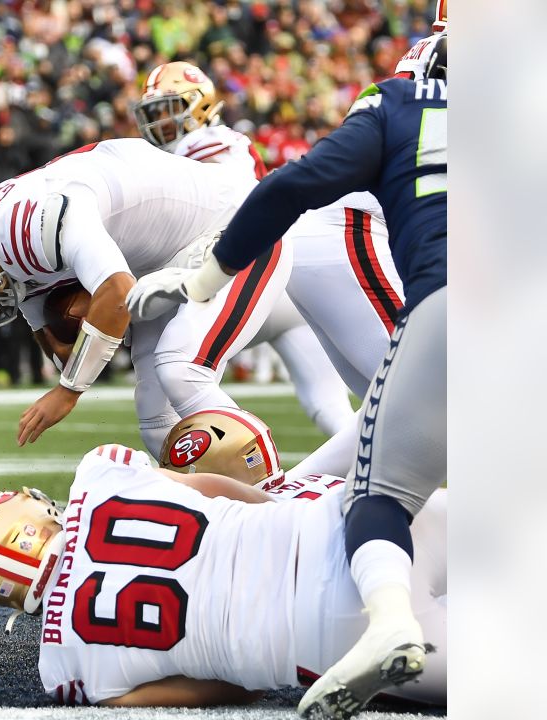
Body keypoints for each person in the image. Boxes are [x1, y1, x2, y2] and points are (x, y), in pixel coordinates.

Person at [126, 37, 448, 719]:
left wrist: (202, 279)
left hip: (450, 307)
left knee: (379, 495)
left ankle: (390, 618)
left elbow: (291, 187)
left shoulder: (402, 101)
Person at [0, 442, 445, 710]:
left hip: (324, 639)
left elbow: (219, 689)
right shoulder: (99, 472)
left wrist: (258, 666)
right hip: (339, 531)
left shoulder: (67, 673)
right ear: (32, 516)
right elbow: (215, 489)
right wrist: (278, 516)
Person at [0, 139, 292, 454]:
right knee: (158, 427)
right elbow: (57, 338)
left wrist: (68, 391)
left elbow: (118, 293)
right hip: (170, 260)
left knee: (181, 370)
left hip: (235, 226)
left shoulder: (18, 229)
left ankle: (269, 488)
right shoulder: (3, 231)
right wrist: (71, 346)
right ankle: (220, 514)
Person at [133, 60, 402, 447]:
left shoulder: (208, 144)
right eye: (154, 111)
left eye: (169, 108)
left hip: (252, 275)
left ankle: (248, 471)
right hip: (290, 277)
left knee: (176, 376)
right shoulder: (197, 150)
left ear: (201, 104)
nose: (160, 120)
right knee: (330, 407)